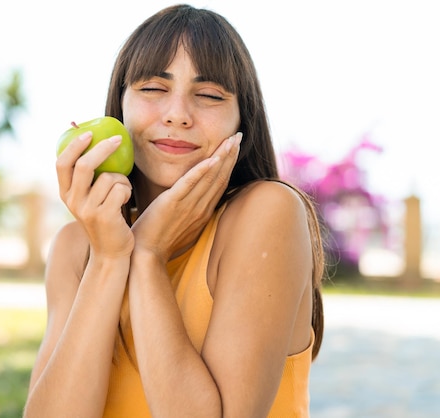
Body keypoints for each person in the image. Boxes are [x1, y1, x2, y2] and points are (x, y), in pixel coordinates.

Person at [24, 4, 325, 417]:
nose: (177, 115)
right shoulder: (77, 247)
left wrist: (146, 254)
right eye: (152, 89)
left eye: (209, 95)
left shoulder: (267, 212)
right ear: (120, 105)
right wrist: (110, 258)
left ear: (242, 120)